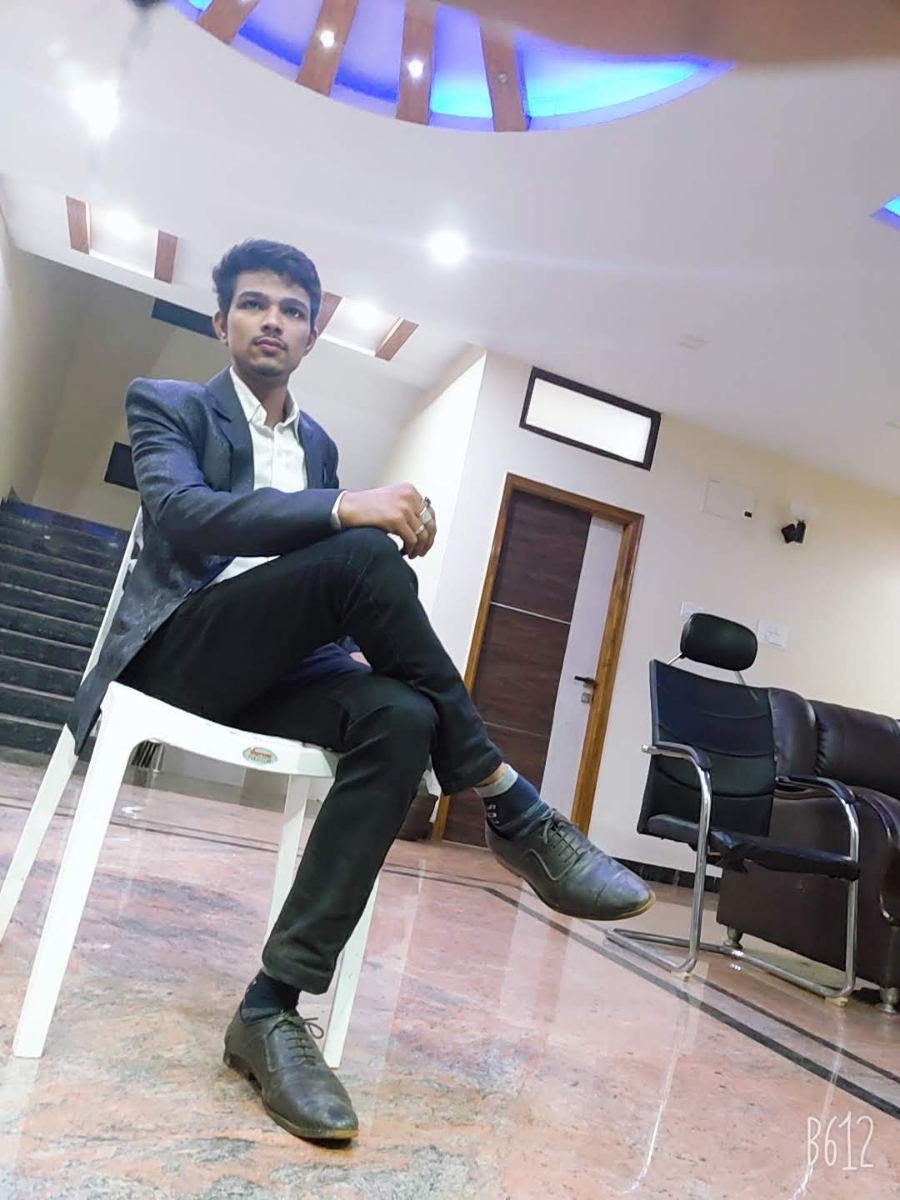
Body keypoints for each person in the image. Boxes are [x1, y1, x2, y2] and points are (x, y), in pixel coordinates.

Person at [69, 239, 654, 1144]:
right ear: (221, 322)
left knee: (401, 715)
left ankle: (270, 1009)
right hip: (180, 656)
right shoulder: (169, 403)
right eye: (253, 304)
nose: (272, 321)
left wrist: (359, 627)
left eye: (292, 310)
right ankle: (511, 805)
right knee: (360, 551)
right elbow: (185, 517)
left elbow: (313, 593)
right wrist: (347, 510)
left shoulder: (319, 445)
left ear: (312, 334)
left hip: (279, 672)